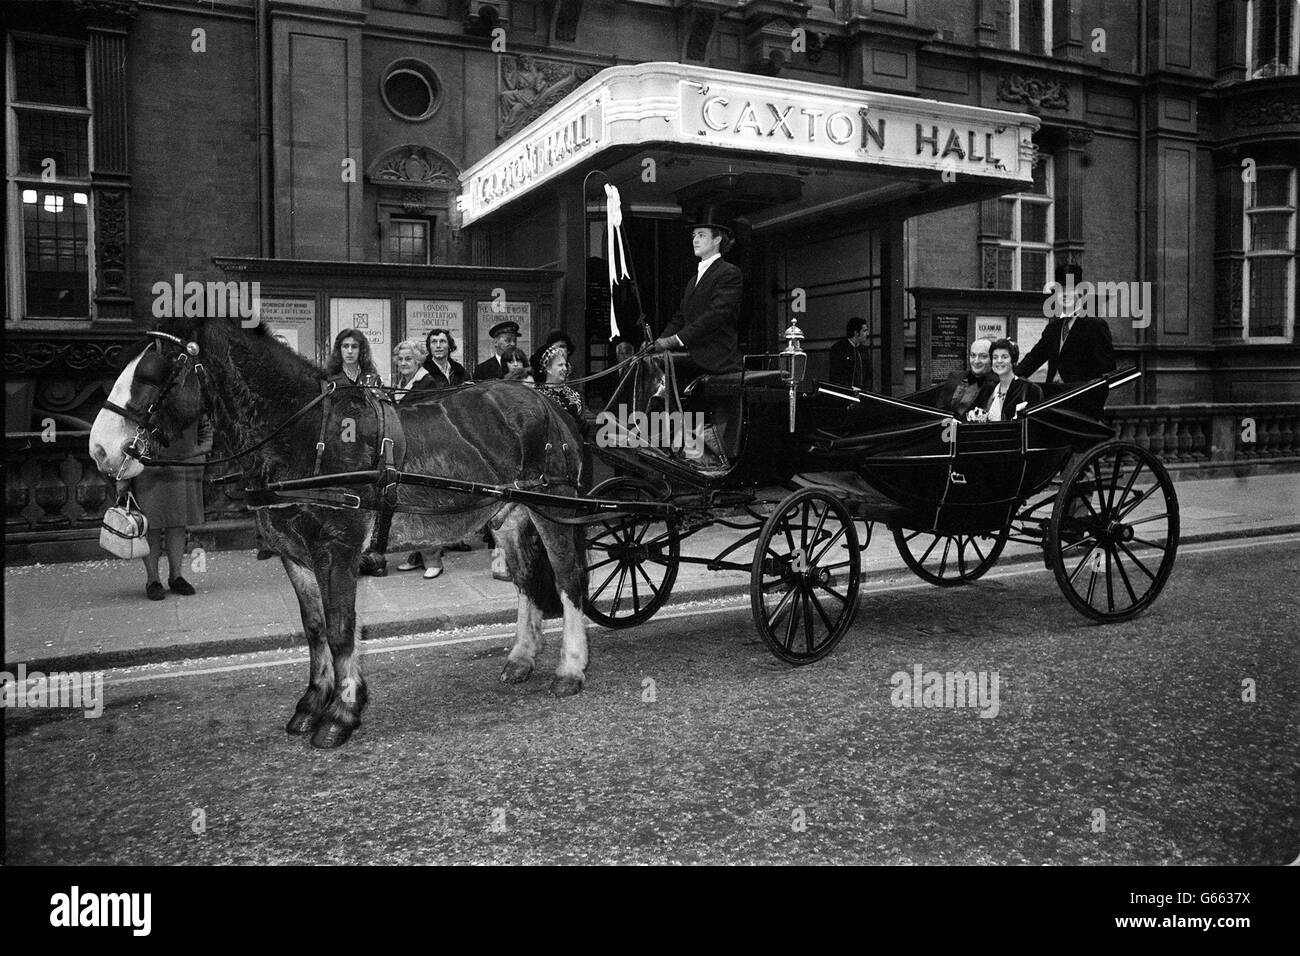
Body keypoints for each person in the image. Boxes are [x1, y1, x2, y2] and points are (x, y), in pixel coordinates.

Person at [360, 339, 437, 577]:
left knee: (424, 505)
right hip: (407, 450)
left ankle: (434, 561)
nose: (403, 363)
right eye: (401, 359)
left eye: (409, 359)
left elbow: (429, 417)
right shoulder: (406, 382)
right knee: (409, 506)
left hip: (424, 450)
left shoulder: (427, 382)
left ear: (418, 360)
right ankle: (416, 555)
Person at [653, 210, 743, 379]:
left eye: (701, 235)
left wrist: (675, 340)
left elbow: (715, 315)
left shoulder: (729, 272)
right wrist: (659, 341)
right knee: (643, 361)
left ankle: (637, 407)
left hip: (716, 359)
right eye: (694, 235)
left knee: (653, 367)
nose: (695, 240)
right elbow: (680, 317)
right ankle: (626, 407)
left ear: (717, 239)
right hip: (694, 354)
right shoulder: (694, 279)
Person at [130, 415, 213, 600]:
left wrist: (201, 451)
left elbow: (205, 427)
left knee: (178, 523)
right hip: (150, 467)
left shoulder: (190, 397)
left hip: (183, 466)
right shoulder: (147, 396)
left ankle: (176, 577)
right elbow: (129, 432)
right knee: (151, 524)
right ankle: (153, 580)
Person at [1015, 263, 1116, 393]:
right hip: (1051, 399)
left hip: (1081, 404)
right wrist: (1008, 379)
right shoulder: (1052, 329)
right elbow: (1032, 360)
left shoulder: (1095, 325)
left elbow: (1106, 372)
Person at [968, 339, 1042, 422]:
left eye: (1004, 357)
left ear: (1013, 360)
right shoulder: (988, 388)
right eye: (995, 357)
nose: (999, 361)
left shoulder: (1030, 389)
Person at [531, 337, 585, 426]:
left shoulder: (574, 395)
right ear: (548, 368)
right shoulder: (539, 396)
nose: (564, 369)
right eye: (560, 365)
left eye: (565, 365)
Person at [936, 337, 994, 418]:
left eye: (983, 356)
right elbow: (940, 409)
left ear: (992, 358)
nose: (976, 361)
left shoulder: (997, 385)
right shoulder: (954, 377)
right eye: (973, 355)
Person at [827, 316, 872, 391]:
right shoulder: (839, 349)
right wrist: (849, 389)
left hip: (862, 395)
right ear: (856, 333)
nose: (867, 333)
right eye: (864, 331)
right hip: (844, 394)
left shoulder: (864, 351)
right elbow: (836, 375)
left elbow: (869, 375)